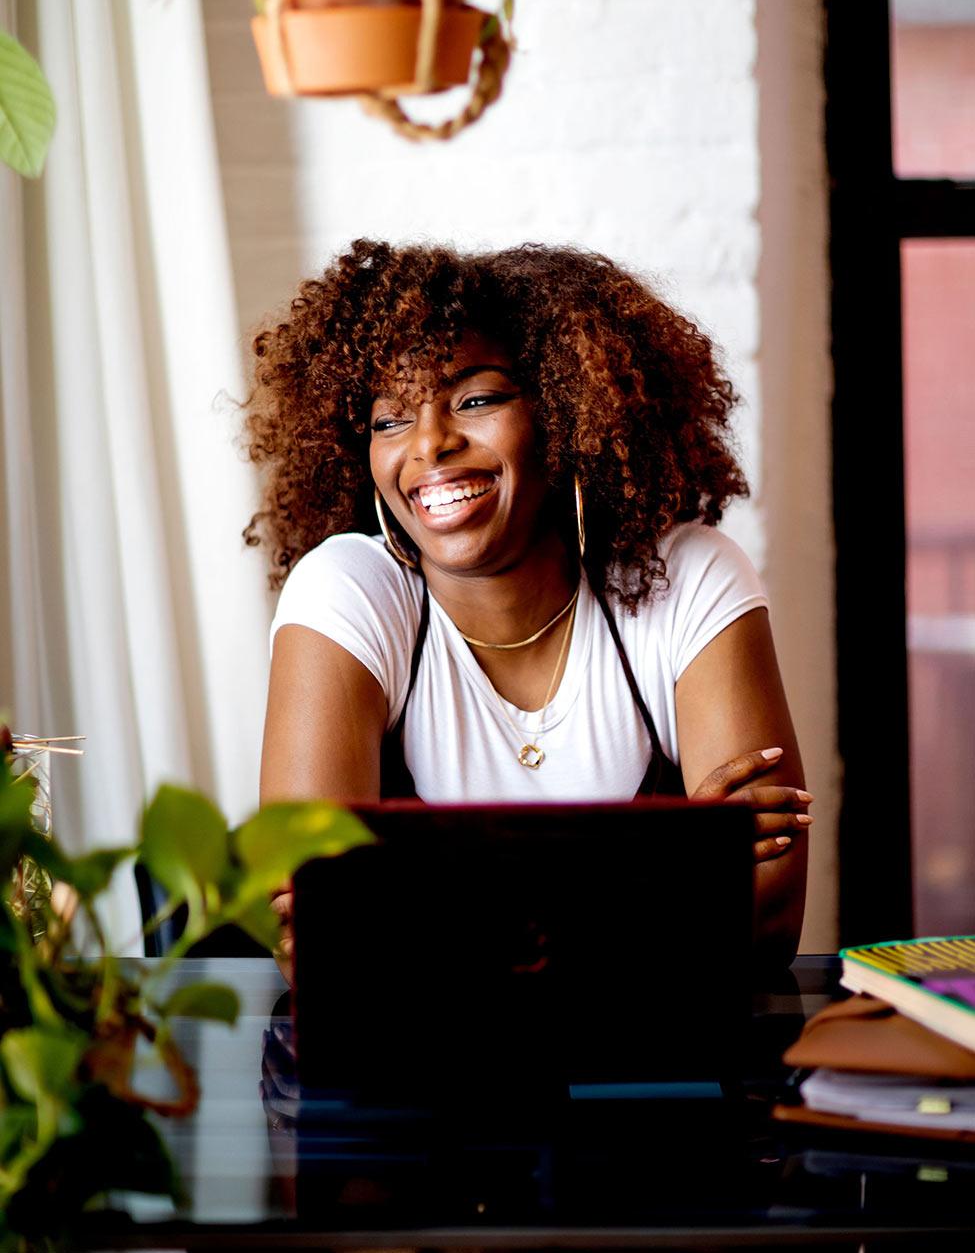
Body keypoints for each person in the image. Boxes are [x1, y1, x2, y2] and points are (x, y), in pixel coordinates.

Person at [249, 239, 809, 971]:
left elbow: (765, 916)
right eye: (388, 419)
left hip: (661, 1067)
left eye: (475, 399)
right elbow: (317, 946)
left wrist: (416, 917)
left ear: (565, 407)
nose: (430, 445)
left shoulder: (687, 576)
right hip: (412, 1077)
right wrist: (670, 874)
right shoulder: (348, 592)